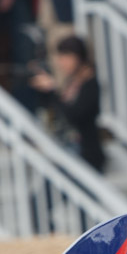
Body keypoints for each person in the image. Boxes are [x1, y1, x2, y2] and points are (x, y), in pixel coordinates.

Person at [30, 35, 105, 173]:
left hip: (85, 153)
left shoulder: (90, 85)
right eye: (60, 58)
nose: (61, 63)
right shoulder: (71, 83)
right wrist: (44, 92)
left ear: (78, 57)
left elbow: (74, 115)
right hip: (68, 150)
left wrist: (53, 90)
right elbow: (52, 109)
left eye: (66, 57)